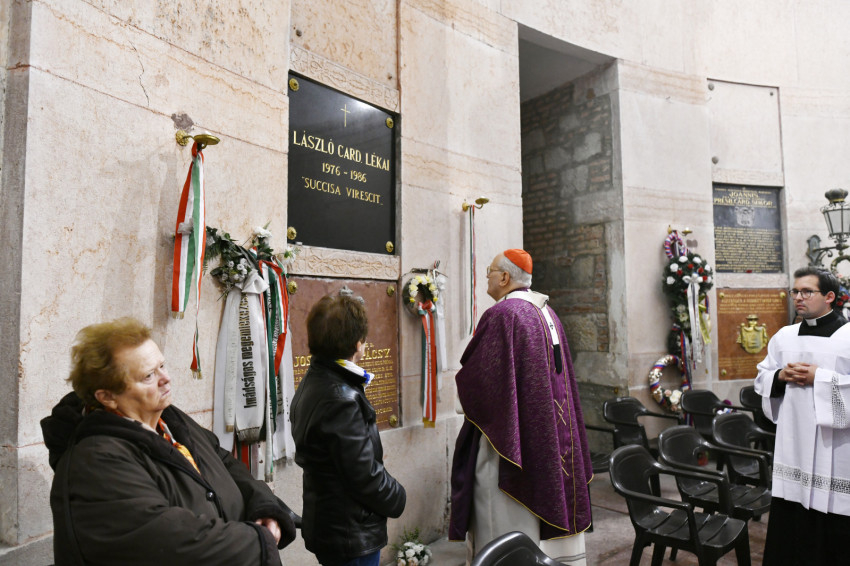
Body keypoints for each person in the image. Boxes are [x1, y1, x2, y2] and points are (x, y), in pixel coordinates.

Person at [41, 318, 297, 566]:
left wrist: (263, 506)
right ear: (107, 397)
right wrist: (258, 541)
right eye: (148, 376)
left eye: (162, 365)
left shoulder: (170, 419)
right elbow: (167, 541)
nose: (165, 378)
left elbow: (222, 461)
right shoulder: (96, 460)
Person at [449, 249, 593, 565]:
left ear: (504, 277)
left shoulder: (504, 314)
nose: (486, 277)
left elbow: (482, 384)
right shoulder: (548, 312)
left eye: (489, 271)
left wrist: (457, 393)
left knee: (502, 521)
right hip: (548, 440)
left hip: (514, 445)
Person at [289, 295, 406, 566]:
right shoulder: (340, 399)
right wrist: (398, 496)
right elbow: (363, 474)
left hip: (332, 526)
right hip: (350, 534)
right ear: (358, 344)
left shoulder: (316, 378)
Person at [754, 267, 850, 565]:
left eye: (807, 291)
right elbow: (762, 377)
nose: (798, 297)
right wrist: (780, 376)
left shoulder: (848, 336)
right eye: (795, 291)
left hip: (836, 448)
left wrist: (819, 378)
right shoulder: (785, 336)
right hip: (793, 445)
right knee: (791, 522)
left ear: (830, 297)